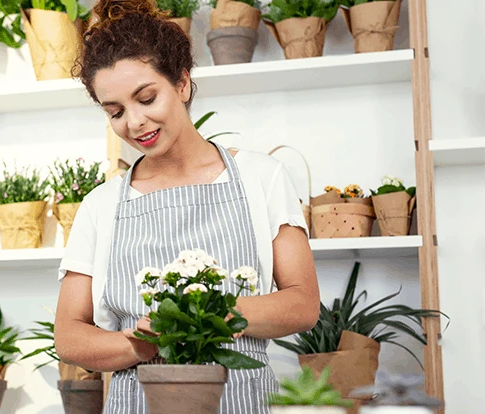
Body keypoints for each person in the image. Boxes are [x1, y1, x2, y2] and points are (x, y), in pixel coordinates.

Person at [54, 0, 320, 412]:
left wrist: (205, 317)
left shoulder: (261, 177)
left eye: (146, 97)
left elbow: (302, 304)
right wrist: (139, 346)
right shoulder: (101, 205)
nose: (135, 122)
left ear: (181, 83)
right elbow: (69, 337)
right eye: (116, 111)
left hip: (243, 401)